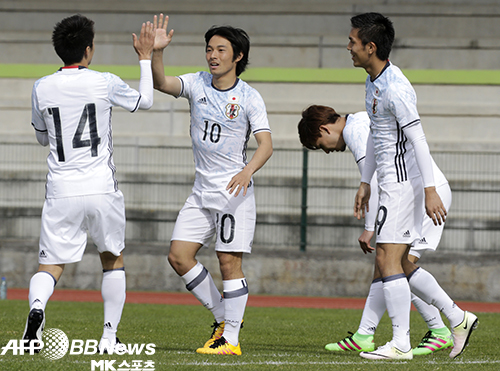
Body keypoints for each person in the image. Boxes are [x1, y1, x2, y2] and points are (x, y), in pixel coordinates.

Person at [347, 12, 478, 360]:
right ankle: (457, 318)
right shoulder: (373, 82)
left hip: (404, 186)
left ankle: (401, 343)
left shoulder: (396, 88)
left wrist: (430, 190)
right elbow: (377, 134)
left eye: (353, 42)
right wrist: (365, 183)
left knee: (388, 259)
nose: (348, 47)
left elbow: (418, 139)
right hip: (391, 184)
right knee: (401, 263)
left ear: (370, 47)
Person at [23, 14, 155, 353]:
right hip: (100, 187)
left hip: (61, 190)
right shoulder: (104, 82)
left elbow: (41, 138)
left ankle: (37, 310)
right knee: (112, 258)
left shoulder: (42, 86)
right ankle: (109, 338)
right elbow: (146, 101)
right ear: (88, 49)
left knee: (50, 263)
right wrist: (145, 58)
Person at [298, 105, 472, 358]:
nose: (325, 150)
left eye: (319, 143)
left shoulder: (356, 132)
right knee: (389, 264)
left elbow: (375, 183)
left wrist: (369, 228)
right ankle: (366, 335)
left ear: (324, 128)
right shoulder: (360, 121)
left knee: (394, 265)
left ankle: (443, 327)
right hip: (415, 191)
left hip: (421, 193)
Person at [150, 14, 273, 356]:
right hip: (201, 190)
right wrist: (156, 52)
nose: (213, 55)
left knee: (228, 261)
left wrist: (248, 171)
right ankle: (224, 316)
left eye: (221, 49)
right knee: (178, 256)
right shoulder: (197, 83)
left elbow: (266, 144)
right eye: (209, 49)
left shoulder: (249, 98)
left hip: (234, 193)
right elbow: (161, 83)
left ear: (238, 57)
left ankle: (230, 339)